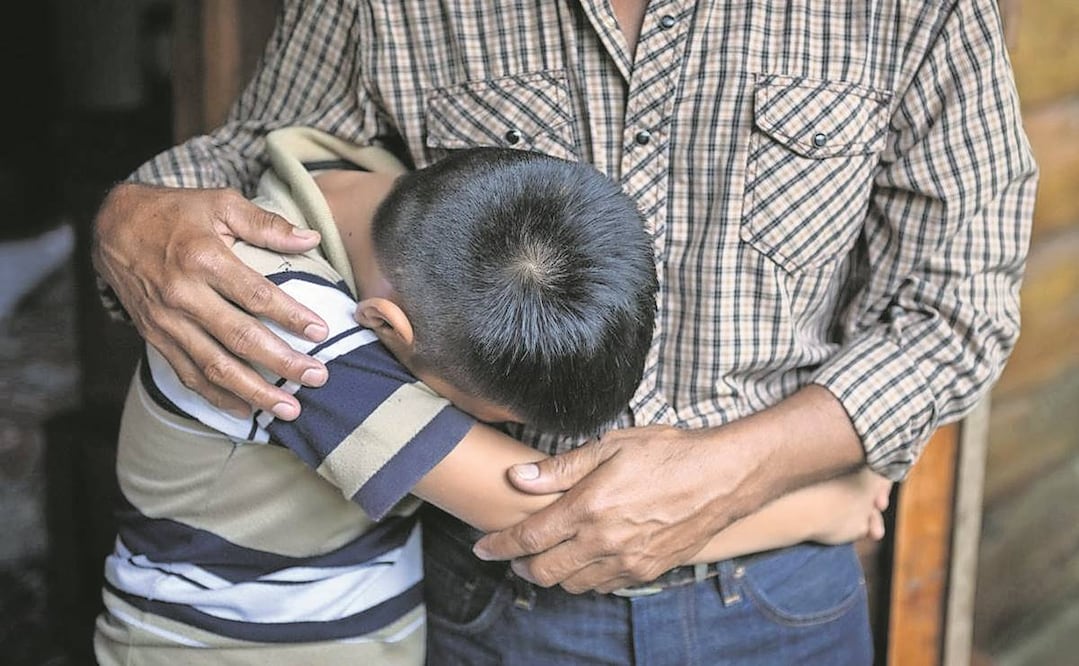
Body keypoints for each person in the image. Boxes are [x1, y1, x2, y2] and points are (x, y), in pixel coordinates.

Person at [91, 1, 1037, 663]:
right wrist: (123, 215)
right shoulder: (300, 331)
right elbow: (248, 158)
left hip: (780, 608)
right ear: (384, 327)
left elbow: (957, 310)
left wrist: (744, 469)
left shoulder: (920, 9)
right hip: (488, 600)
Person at [94, 128, 891, 664]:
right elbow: (539, 515)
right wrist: (825, 506)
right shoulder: (285, 328)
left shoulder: (363, 178)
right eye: (482, 414)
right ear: (385, 326)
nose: (480, 428)